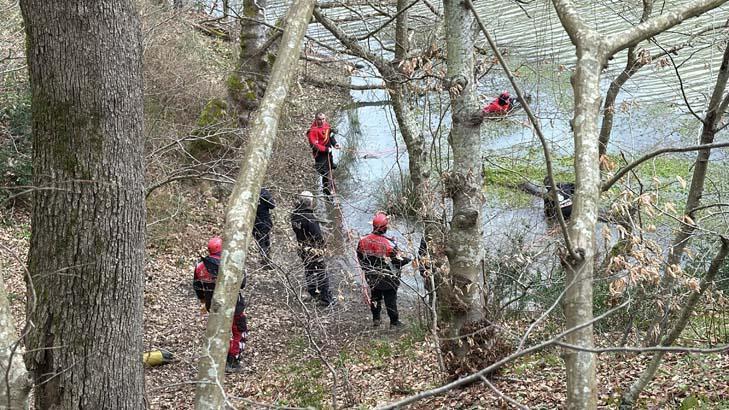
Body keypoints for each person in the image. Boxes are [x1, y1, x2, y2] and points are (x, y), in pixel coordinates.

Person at [192, 236, 249, 373]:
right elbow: (242, 283)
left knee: (218, 331)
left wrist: (203, 300)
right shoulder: (230, 263)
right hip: (233, 304)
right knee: (240, 331)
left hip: (213, 304)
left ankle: (215, 359)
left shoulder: (200, 265)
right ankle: (233, 361)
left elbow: (197, 286)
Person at [357, 212, 411, 328]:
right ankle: (394, 322)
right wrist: (408, 259)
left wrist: (367, 271)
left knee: (375, 298)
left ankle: (376, 319)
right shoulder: (389, 244)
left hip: (372, 276)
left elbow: (360, 258)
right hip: (389, 279)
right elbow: (398, 261)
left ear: (373, 226)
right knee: (390, 300)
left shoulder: (362, 241)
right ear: (385, 228)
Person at [290, 191, 333, 306]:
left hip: (302, 248)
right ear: (310, 202)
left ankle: (313, 292)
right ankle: (325, 299)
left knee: (309, 270)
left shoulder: (294, 215)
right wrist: (323, 248)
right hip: (314, 250)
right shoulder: (310, 218)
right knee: (321, 272)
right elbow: (318, 236)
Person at [307, 112, 340, 196]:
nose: (321, 121)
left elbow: (330, 137)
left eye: (323, 119)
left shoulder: (326, 125)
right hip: (320, 154)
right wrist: (325, 149)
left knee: (330, 168)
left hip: (328, 152)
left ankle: (330, 187)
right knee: (325, 173)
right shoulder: (312, 131)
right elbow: (314, 145)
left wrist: (335, 144)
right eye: (319, 119)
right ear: (316, 119)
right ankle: (327, 191)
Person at [253, 187, 276, 269]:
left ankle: (266, 260)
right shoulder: (263, 192)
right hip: (264, 221)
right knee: (264, 242)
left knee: (262, 241)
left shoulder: (249, 191)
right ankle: (266, 262)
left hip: (254, 222)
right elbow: (272, 205)